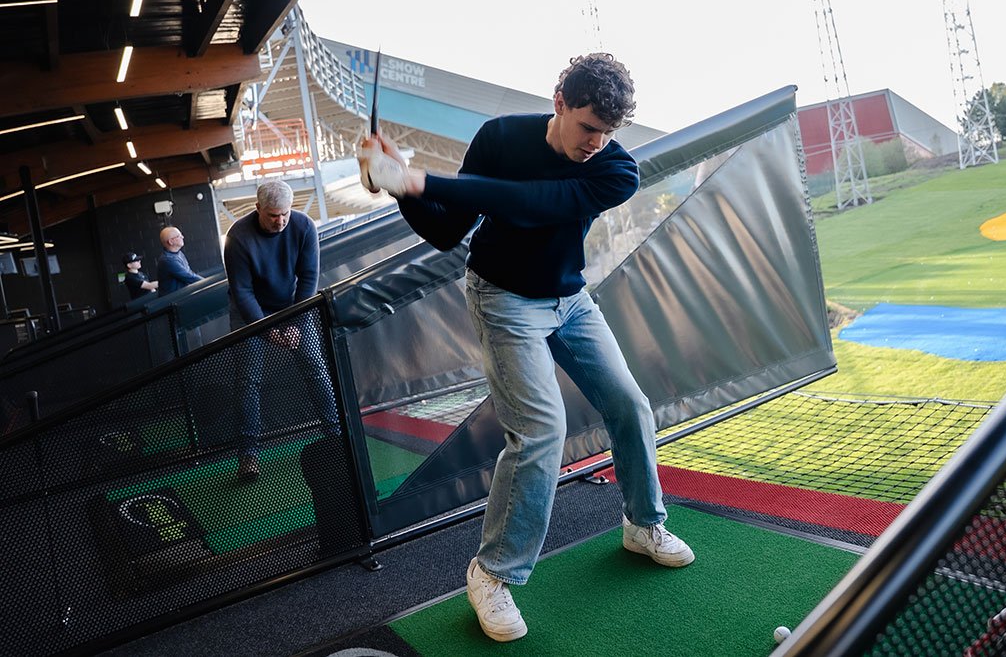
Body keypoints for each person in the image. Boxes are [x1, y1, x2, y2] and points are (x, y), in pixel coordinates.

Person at [358, 53, 693, 643]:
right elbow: (446, 230)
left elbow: (537, 204)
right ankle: (492, 573)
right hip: (503, 300)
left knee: (630, 406)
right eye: (589, 126)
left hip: (570, 300)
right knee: (540, 431)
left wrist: (416, 180)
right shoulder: (500, 137)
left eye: (609, 132)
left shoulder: (616, 170)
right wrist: (396, 183)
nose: (598, 142)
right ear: (559, 101)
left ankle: (643, 524)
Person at [223, 179, 339, 481]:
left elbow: (309, 276)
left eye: (285, 213)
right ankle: (248, 456)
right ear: (258, 208)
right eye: (273, 215)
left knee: (316, 369)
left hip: (292, 306)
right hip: (250, 312)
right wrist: (267, 329)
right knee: (248, 382)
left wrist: (295, 323)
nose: (281, 221)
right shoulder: (238, 237)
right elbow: (242, 291)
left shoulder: (303, 226)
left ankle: (336, 435)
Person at [156, 226, 204, 295]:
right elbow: (190, 277)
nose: (182, 237)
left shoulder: (178, 253)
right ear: (171, 242)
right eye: (178, 236)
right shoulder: (168, 260)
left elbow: (189, 273)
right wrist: (209, 283)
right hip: (173, 301)